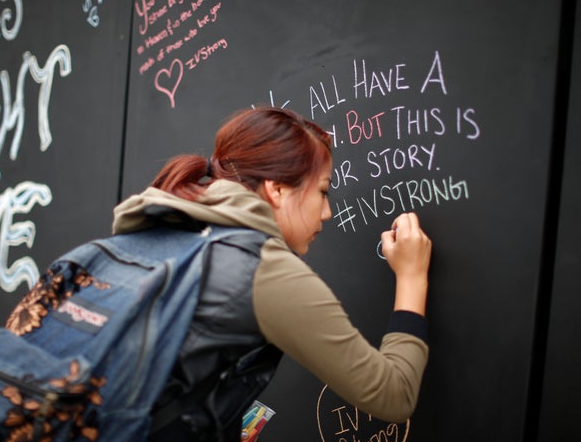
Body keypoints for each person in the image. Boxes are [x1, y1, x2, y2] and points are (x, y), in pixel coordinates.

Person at [112, 106, 432, 440]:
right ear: (276, 189)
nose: (327, 211)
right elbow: (393, 396)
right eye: (323, 191)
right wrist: (412, 277)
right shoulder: (263, 268)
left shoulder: (153, 231)